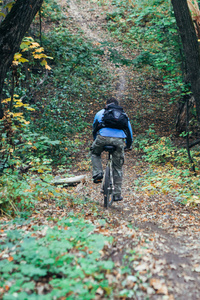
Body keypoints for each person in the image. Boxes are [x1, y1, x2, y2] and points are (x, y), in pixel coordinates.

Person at [90, 97, 133, 201]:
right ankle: (117, 195)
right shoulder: (123, 114)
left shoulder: (100, 112)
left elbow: (94, 128)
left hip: (102, 138)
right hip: (118, 141)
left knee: (94, 153)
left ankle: (98, 173)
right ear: (117, 105)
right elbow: (129, 132)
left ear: (106, 104)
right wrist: (128, 145)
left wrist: (96, 140)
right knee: (117, 167)